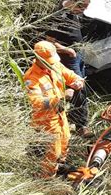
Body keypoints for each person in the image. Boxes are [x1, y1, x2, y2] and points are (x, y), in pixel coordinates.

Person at [23, 41, 85, 178]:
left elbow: (70, 74)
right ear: (39, 59)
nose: (52, 64)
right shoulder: (30, 77)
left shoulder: (55, 65)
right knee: (52, 153)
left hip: (60, 116)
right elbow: (37, 102)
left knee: (65, 141)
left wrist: (78, 81)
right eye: (48, 62)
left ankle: (60, 168)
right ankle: (48, 180)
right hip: (46, 122)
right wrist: (61, 98)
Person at [45, 0, 93, 138]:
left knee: (77, 87)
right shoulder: (59, 16)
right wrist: (67, 50)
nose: (83, 11)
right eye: (82, 7)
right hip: (67, 58)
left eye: (85, 8)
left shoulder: (73, 10)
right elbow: (49, 41)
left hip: (77, 55)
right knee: (79, 87)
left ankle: (70, 117)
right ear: (73, 2)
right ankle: (81, 126)